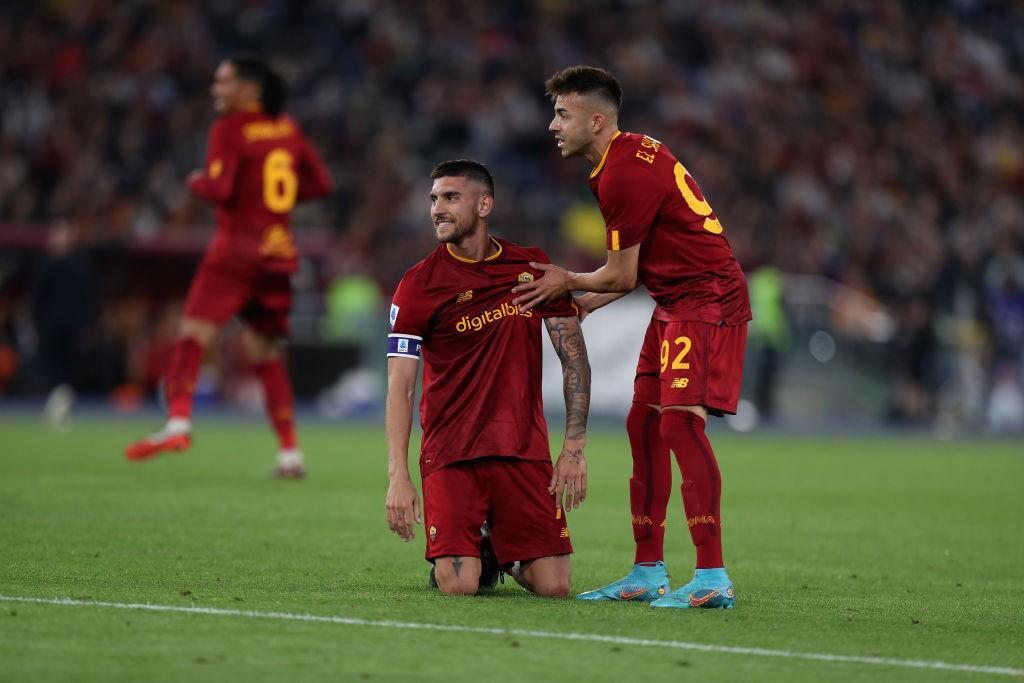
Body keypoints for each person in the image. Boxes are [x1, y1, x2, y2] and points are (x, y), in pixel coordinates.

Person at [512, 66, 751, 609]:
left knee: (680, 427)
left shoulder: (621, 174)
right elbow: (639, 263)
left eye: (562, 115)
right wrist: (590, 300)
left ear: (596, 121)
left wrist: (568, 279)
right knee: (642, 424)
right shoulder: (627, 155)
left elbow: (621, 273)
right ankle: (648, 570)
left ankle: (713, 576)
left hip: (707, 299)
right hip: (675, 300)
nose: (553, 125)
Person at [386, 159, 590, 597]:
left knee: (555, 588)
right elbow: (401, 387)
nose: (437, 208)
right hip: (451, 453)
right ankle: (468, 556)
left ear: (484, 204)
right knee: (459, 585)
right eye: (434, 199)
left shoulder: (531, 268)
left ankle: (494, 548)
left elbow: (574, 358)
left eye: (450, 198)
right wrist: (397, 475)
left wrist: (573, 447)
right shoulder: (419, 285)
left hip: (522, 449)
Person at [125, 55, 333, 478]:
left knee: (191, 336)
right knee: (267, 355)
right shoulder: (287, 127)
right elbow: (321, 184)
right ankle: (290, 453)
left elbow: (219, 190)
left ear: (249, 90)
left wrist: (194, 181)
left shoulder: (229, 130)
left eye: (223, 83)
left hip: (236, 253)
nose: (214, 90)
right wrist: (275, 201)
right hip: (277, 254)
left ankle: (178, 422)